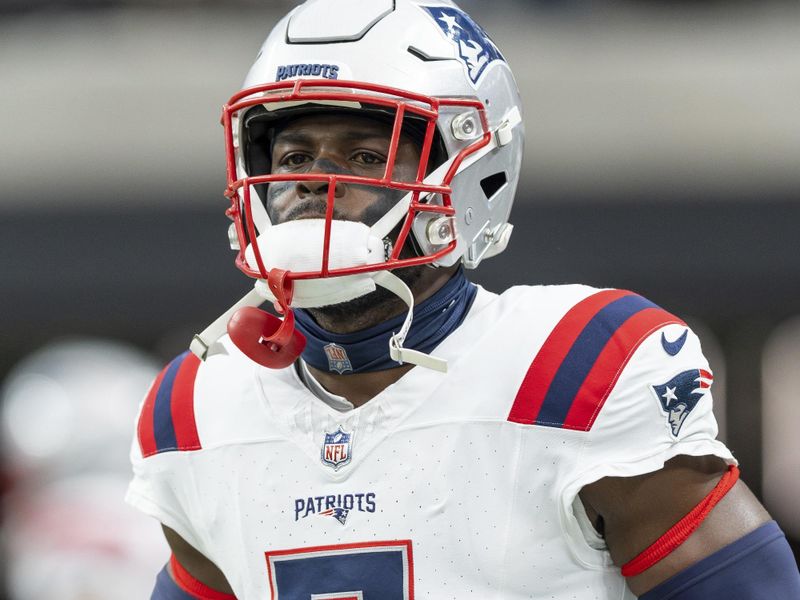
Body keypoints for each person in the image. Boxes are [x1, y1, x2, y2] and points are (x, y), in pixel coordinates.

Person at [126, 1, 800, 598]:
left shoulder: (574, 365)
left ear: (471, 175)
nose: (313, 184)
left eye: (363, 156)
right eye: (296, 156)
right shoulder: (199, 406)